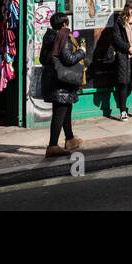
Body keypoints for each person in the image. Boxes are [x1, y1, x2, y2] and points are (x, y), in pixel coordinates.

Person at [40, 13, 86, 157]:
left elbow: (42, 59)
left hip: (52, 78)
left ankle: (70, 139)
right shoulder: (62, 36)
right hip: (61, 81)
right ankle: (53, 145)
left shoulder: (49, 36)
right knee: (60, 112)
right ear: (64, 24)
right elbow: (68, 59)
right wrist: (81, 51)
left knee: (65, 109)